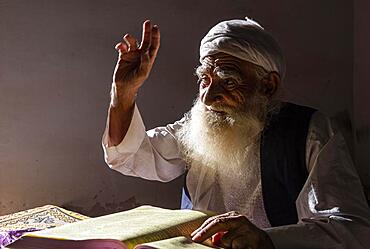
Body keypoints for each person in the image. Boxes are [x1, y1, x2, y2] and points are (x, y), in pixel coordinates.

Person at [102, 18, 370, 249]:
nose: (208, 97)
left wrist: (266, 240)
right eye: (205, 80)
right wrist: (124, 93)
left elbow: (351, 230)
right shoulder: (199, 127)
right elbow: (128, 156)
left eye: (228, 81)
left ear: (267, 85)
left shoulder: (308, 131)